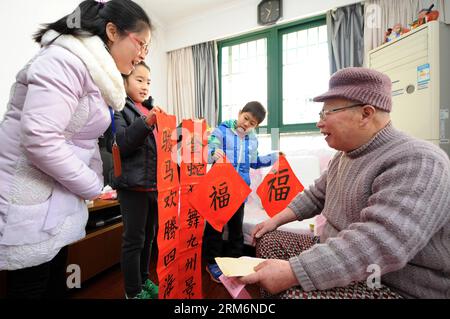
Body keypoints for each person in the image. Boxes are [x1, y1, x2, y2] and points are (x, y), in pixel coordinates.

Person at [239, 67, 450, 299]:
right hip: (340, 249)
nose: (319, 123)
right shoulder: (345, 154)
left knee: (294, 293)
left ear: (366, 114)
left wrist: (293, 272)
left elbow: (380, 242)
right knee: (269, 241)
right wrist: (274, 221)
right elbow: (316, 195)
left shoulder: (419, 160)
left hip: (391, 282)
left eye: (326, 113)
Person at [0, 0, 152, 299]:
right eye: (141, 44)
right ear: (112, 31)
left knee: (56, 281)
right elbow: (40, 137)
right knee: (33, 284)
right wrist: (92, 184)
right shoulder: (63, 60)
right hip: (29, 197)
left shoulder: (93, 74)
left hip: (54, 196)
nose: (143, 55)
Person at [203, 101, 279, 283]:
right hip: (220, 189)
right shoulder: (222, 130)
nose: (247, 124)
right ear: (239, 113)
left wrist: (274, 157)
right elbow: (209, 150)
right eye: (246, 118)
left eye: (252, 123)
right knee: (215, 228)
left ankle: (235, 262)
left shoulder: (253, 139)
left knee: (236, 229)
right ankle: (211, 263)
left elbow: (254, 161)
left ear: (256, 126)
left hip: (239, 190)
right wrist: (214, 152)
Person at [105, 61, 161, 299]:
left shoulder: (150, 109)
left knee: (149, 239)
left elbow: (158, 148)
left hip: (153, 185)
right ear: (124, 80)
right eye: (139, 80)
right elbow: (120, 145)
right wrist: (146, 124)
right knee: (134, 241)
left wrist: (181, 133)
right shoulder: (119, 109)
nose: (145, 86)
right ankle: (132, 291)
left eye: (148, 81)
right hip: (132, 186)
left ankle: (144, 280)